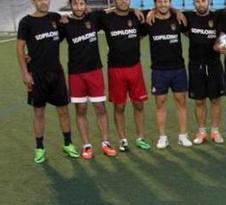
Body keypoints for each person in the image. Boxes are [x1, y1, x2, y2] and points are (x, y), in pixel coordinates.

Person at [17, 0, 80, 164]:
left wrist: (65, 19)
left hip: (56, 73)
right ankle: (39, 148)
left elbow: (76, 18)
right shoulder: (26, 22)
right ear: (33, 1)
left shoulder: (55, 17)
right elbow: (20, 48)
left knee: (64, 111)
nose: (44, 2)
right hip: (37, 75)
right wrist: (25, 73)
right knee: (39, 113)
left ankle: (68, 144)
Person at [60, 0, 117, 160]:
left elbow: (114, 9)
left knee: (100, 107)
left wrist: (138, 9)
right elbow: (49, 40)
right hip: (76, 74)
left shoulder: (94, 18)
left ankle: (105, 143)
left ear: (85, 5)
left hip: (94, 72)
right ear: (71, 5)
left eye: (81, 3)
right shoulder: (64, 23)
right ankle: (87, 146)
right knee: (81, 109)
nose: (79, 7)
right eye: (76, 4)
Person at [96, 0, 150, 152]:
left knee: (139, 104)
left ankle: (140, 138)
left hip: (135, 67)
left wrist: (133, 10)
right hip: (116, 69)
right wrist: (114, 9)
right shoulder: (106, 18)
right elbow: (91, 16)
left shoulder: (137, 17)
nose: (123, 1)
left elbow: (154, 16)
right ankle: (123, 140)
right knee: (120, 106)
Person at [146, 0, 191, 149]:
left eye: (166, 1)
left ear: (170, 3)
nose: (163, 5)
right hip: (159, 71)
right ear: (155, 4)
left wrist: (177, 11)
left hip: (178, 69)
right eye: (159, 2)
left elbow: (192, 32)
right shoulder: (149, 20)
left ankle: (183, 136)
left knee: (181, 102)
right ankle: (162, 137)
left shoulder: (178, 18)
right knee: (160, 103)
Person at [183, 0, 225, 144]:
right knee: (199, 100)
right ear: (194, 3)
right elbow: (169, 13)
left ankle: (215, 131)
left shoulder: (217, 17)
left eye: (204, 1)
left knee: (215, 100)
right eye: (198, 1)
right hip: (196, 65)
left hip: (214, 64)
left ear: (209, 2)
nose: (201, 4)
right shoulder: (188, 17)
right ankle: (201, 132)